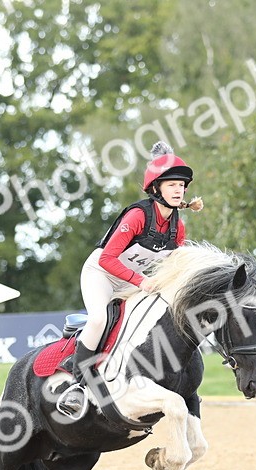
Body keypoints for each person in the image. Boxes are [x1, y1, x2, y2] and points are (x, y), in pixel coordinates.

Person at [59, 141, 204, 415]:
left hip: (131, 280)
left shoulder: (178, 227)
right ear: (156, 189)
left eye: (182, 185)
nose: (179, 190)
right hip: (101, 275)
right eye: (172, 184)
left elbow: (175, 267)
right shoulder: (138, 215)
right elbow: (106, 259)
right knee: (100, 319)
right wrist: (141, 282)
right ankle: (76, 386)